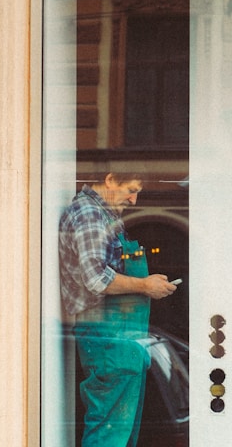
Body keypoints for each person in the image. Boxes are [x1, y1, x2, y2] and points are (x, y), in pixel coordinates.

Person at [59, 172, 177, 446]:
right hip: (107, 337)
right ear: (110, 179)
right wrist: (145, 286)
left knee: (119, 432)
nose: (134, 199)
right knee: (108, 432)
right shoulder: (88, 214)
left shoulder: (104, 214)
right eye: (131, 189)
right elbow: (95, 277)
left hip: (120, 338)